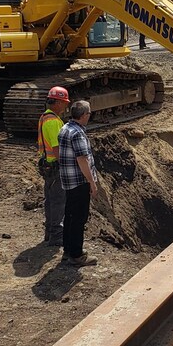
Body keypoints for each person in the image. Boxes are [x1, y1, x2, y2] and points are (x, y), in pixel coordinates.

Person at [57, 99, 99, 267]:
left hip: (68, 181)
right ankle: (76, 255)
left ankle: (68, 250)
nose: (90, 116)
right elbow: (82, 159)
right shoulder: (78, 133)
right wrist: (92, 182)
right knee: (79, 218)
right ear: (83, 115)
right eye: (89, 113)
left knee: (70, 215)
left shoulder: (65, 128)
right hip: (79, 181)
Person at [37, 86, 70, 246]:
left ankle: (49, 233)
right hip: (56, 167)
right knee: (58, 202)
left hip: (48, 166)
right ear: (57, 102)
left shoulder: (44, 117)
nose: (65, 106)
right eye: (64, 103)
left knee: (50, 200)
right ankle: (57, 235)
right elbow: (57, 148)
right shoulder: (54, 121)